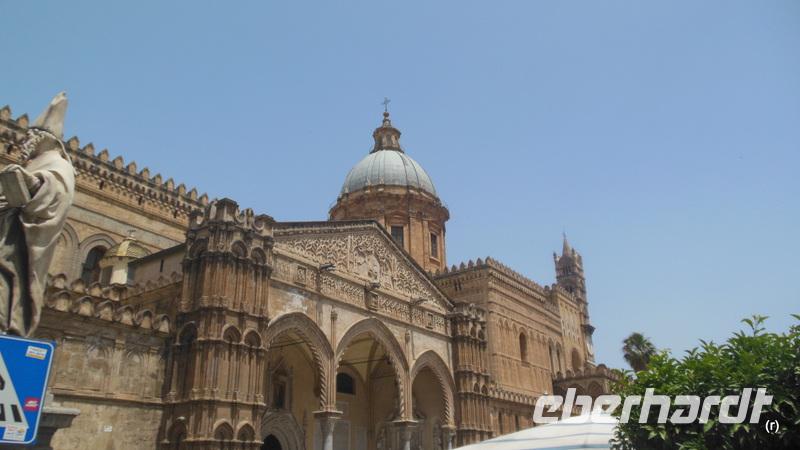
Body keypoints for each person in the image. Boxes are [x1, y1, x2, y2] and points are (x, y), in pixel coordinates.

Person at [0, 92, 75, 336]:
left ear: (45, 138)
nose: (27, 140)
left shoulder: (58, 163)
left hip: (19, 248)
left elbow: (56, 191)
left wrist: (32, 184)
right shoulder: (33, 161)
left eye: (33, 136)